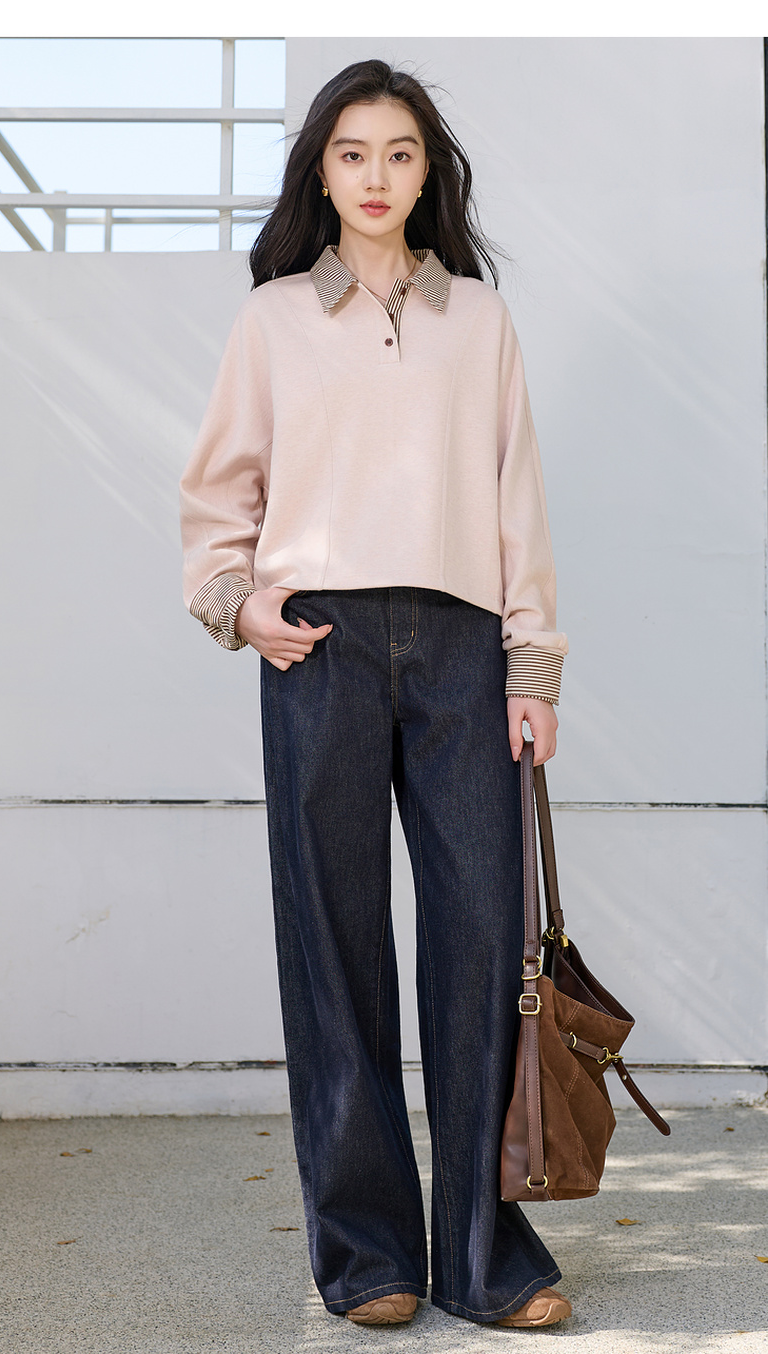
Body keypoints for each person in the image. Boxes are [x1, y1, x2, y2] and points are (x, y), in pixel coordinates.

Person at [179, 59, 571, 1331]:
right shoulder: (273, 319)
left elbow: (516, 497)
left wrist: (532, 665)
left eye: (399, 153)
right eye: (351, 153)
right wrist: (236, 603)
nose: (375, 176)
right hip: (321, 644)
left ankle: (483, 1254)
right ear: (321, 170)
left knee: (479, 941)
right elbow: (219, 493)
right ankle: (368, 1255)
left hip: (462, 646)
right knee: (333, 945)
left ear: (426, 172)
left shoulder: (480, 321)